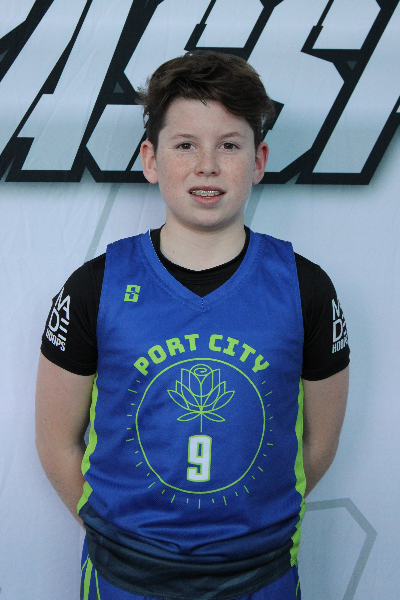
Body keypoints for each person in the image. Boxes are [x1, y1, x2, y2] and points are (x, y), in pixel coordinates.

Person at [35, 51, 349, 600]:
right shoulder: (94, 286)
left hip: (260, 575)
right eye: (185, 145)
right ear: (151, 159)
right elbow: (55, 438)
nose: (207, 166)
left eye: (229, 145)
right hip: (125, 576)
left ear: (258, 160)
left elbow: (318, 444)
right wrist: (123, 540)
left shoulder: (306, 289)